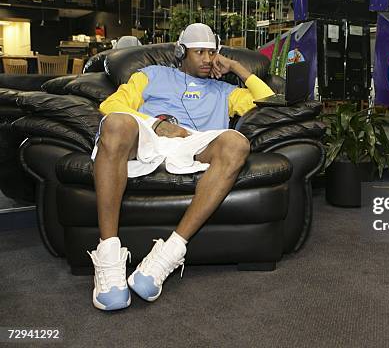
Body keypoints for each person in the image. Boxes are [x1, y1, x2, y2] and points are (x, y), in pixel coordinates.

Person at [88, 23, 274, 311]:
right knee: (115, 123)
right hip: (150, 134)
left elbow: (269, 103)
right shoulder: (150, 75)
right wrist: (157, 125)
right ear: (180, 52)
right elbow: (111, 105)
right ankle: (109, 253)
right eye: (199, 52)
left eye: (212, 53)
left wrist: (236, 67)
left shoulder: (225, 91)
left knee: (237, 143)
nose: (207, 59)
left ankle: (169, 253)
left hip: (196, 143)